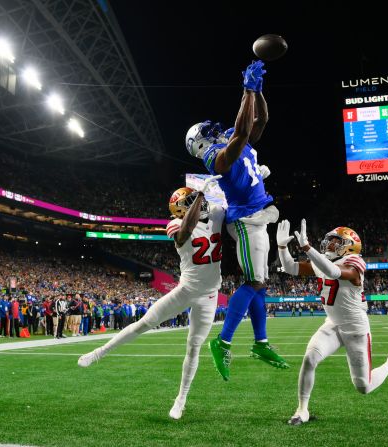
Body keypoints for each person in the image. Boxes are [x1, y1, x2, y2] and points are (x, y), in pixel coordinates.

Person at [78, 176, 225, 419]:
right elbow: (187, 230)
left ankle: (181, 400)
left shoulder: (217, 214)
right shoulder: (178, 225)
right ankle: (99, 353)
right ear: (182, 209)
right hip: (185, 290)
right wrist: (199, 195)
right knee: (145, 322)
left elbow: (236, 207)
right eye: (191, 200)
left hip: (209, 295)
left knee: (194, 347)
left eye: (196, 197)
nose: (200, 201)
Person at [185, 60, 287, 380]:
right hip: (245, 220)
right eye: (208, 132)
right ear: (200, 143)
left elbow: (260, 121)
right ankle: (223, 341)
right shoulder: (215, 158)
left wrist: (258, 93)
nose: (214, 130)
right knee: (254, 281)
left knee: (260, 282)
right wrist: (248, 89)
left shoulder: (228, 140)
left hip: (260, 214)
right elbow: (242, 132)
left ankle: (261, 343)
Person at [275, 220, 388, 425]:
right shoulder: (323, 262)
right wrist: (282, 247)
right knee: (310, 358)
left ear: (350, 245)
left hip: (355, 328)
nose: (330, 245)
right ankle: (302, 410)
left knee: (364, 386)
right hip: (333, 324)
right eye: (330, 241)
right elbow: (291, 267)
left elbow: (334, 272)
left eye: (336, 242)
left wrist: (307, 248)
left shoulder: (356, 262)